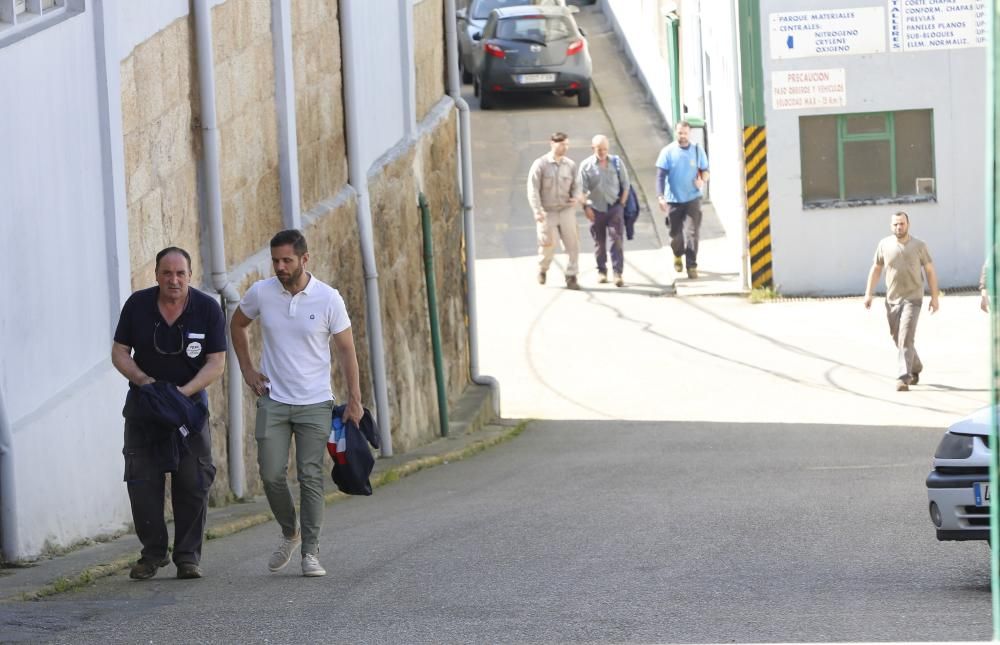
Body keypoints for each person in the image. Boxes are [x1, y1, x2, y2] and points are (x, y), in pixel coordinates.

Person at [231, 229, 363, 578]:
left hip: (315, 402)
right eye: (275, 260)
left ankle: (311, 552)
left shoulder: (328, 299)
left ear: (305, 259)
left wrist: (355, 400)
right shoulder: (261, 292)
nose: (280, 266)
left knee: (310, 476)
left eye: (287, 260)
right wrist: (247, 369)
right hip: (273, 399)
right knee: (271, 474)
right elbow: (237, 324)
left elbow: (347, 350)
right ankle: (291, 532)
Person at [111, 247, 226, 581]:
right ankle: (152, 554)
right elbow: (119, 351)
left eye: (180, 274)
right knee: (142, 481)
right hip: (145, 407)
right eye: (167, 273)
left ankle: (187, 558)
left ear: (190, 276)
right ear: (157, 275)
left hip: (189, 409)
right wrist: (145, 382)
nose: (173, 280)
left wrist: (180, 394)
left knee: (193, 481)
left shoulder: (207, 308)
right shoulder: (137, 305)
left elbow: (216, 361)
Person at [864, 211, 939, 391]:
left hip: (913, 298)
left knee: (905, 337)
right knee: (898, 338)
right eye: (896, 224)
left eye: (902, 223)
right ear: (891, 226)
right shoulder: (884, 245)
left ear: (908, 225)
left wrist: (935, 297)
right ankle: (916, 366)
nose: (899, 227)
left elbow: (929, 271)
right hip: (892, 300)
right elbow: (876, 269)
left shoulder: (919, 245)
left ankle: (903, 377)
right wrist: (869, 293)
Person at [526, 132, 582, 290]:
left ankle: (571, 276)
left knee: (573, 244)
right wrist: (537, 210)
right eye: (562, 144)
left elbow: (578, 185)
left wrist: (576, 197)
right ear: (552, 143)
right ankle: (543, 269)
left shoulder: (570, 165)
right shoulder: (540, 165)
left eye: (567, 144)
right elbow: (533, 189)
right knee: (548, 244)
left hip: (566, 210)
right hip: (547, 211)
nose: (565, 147)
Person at [655, 120, 710, 279]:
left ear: (689, 133)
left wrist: (702, 179)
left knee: (693, 233)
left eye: (685, 133)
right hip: (673, 200)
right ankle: (678, 254)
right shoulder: (668, 152)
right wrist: (661, 197)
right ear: (676, 133)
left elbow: (705, 171)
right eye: (680, 133)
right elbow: (660, 176)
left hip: (693, 198)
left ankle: (691, 265)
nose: (683, 136)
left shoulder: (698, 151)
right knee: (676, 235)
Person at [578, 134, 631, 287]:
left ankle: (617, 273)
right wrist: (586, 207)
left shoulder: (616, 162)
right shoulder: (586, 166)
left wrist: (621, 204)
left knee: (617, 240)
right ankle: (602, 271)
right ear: (593, 148)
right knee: (599, 243)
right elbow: (580, 190)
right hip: (595, 209)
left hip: (614, 207)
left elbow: (626, 184)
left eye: (605, 149)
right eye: (599, 149)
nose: (602, 152)